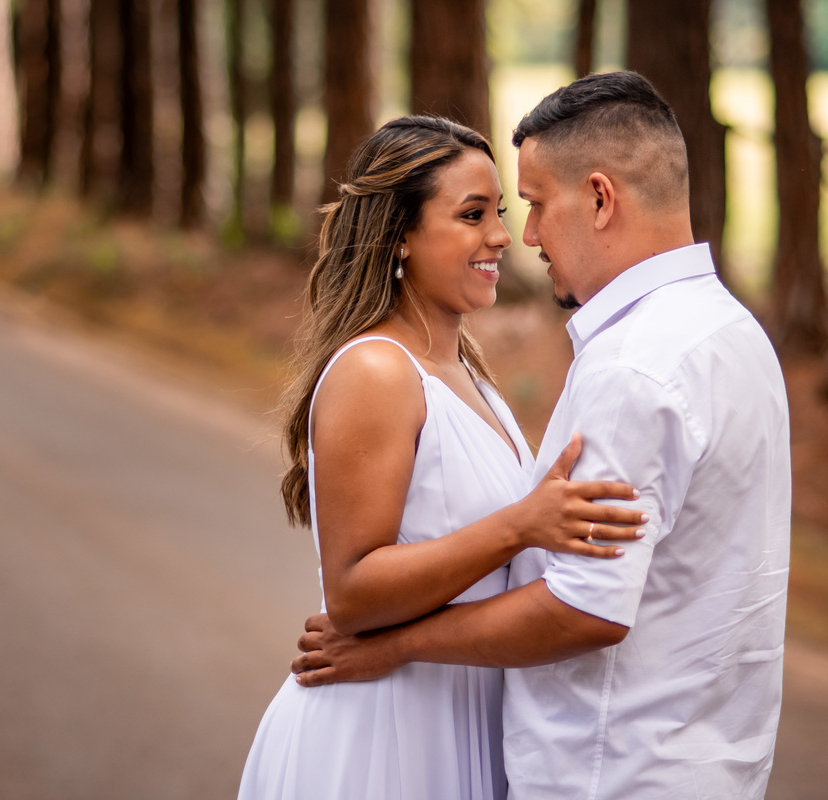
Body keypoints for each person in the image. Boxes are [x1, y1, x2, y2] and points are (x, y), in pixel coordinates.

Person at [291, 72, 792, 799]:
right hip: (688, 762)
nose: (518, 236)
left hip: (612, 772)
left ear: (598, 197)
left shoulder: (631, 367)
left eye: (528, 206)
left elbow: (586, 606)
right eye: (481, 213)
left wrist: (395, 646)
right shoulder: (731, 333)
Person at [238, 115, 645, 800]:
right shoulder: (377, 370)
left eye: (502, 212)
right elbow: (353, 592)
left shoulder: (467, 371)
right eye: (471, 215)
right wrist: (521, 524)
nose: (499, 237)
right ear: (400, 232)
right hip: (382, 735)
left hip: (461, 717)